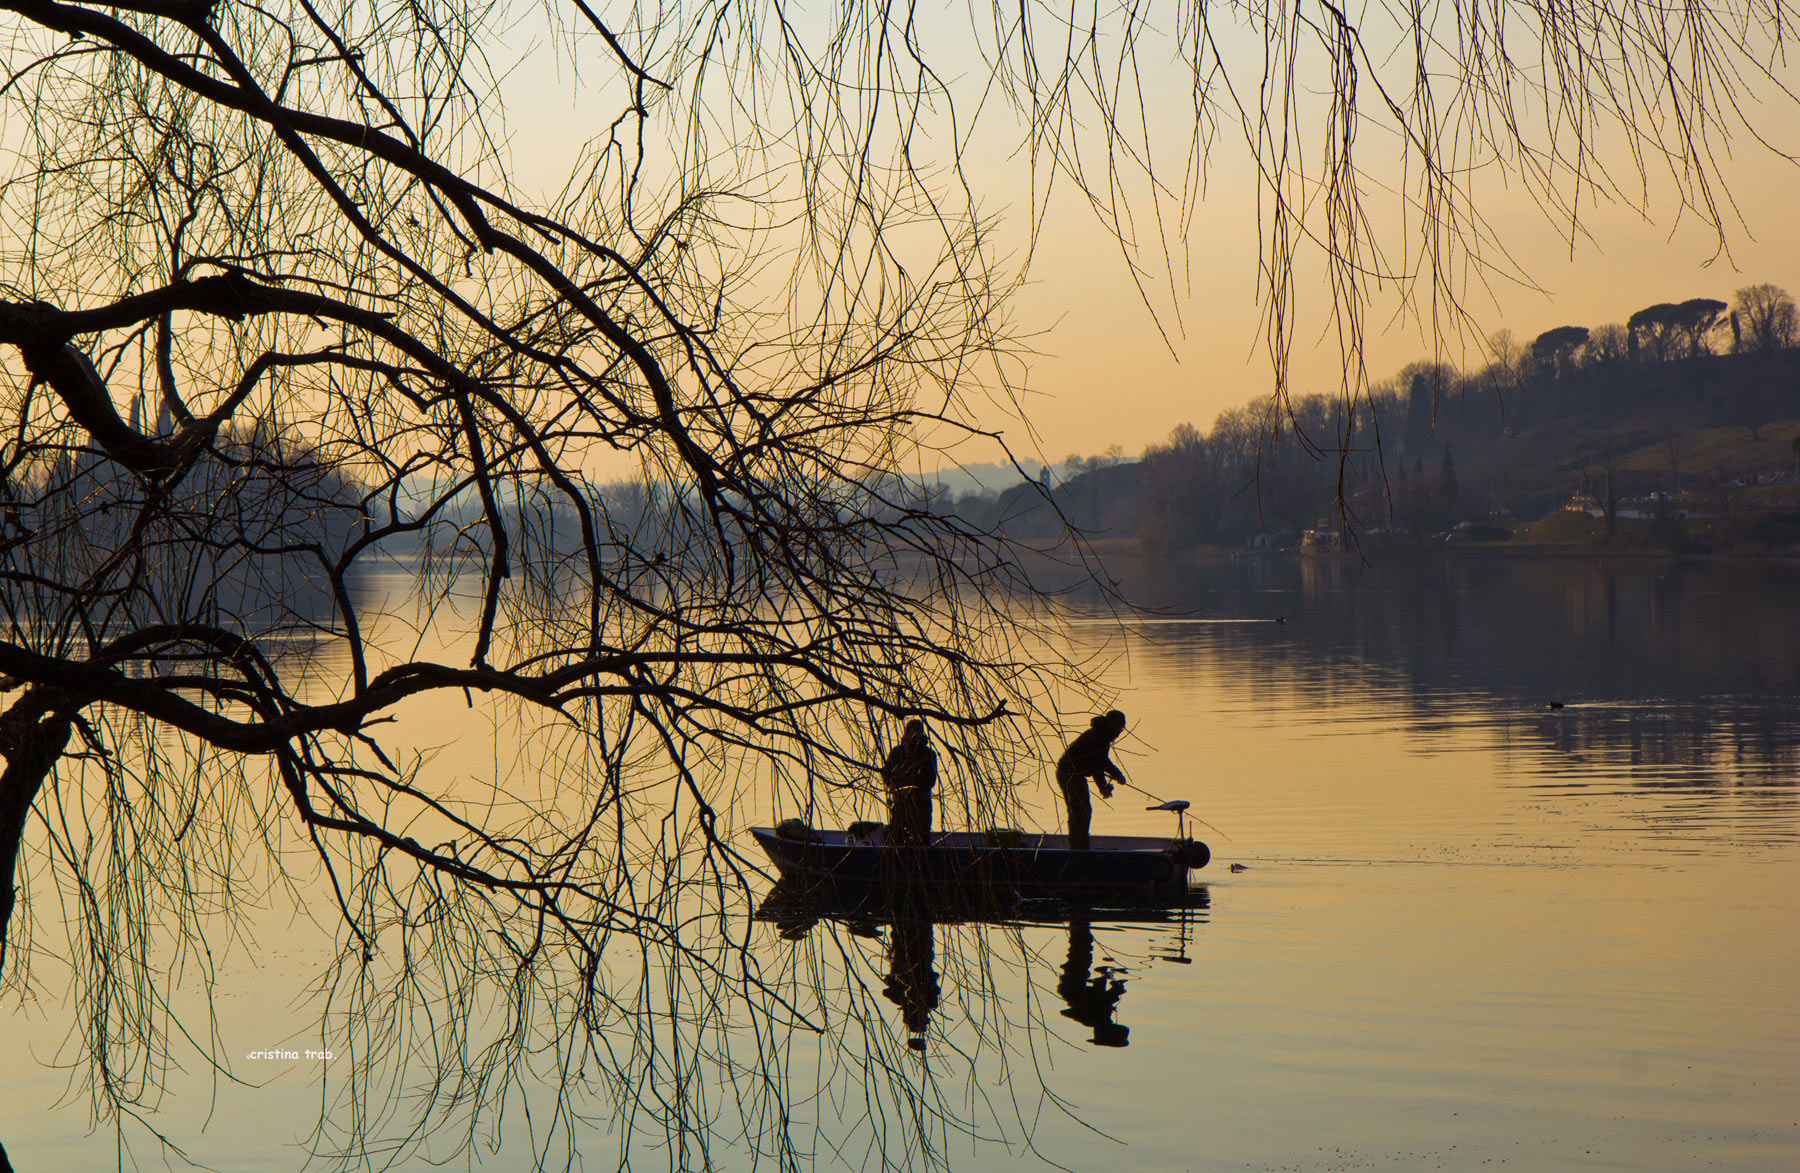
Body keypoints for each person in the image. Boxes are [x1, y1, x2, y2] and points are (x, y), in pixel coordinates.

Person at [1055, 709, 1126, 849]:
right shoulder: (1097, 737)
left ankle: (1079, 844)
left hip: (1076, 775)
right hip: (1069, 774)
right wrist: (1104, 786)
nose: (1120, 732)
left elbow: (1101, 762)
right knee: (1080, 811)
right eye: (1119, 728)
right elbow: (1097, 764)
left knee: (1082, 810)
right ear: (1112, 725)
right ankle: (1078, 847)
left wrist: (1116, 776)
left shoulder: (1102, 736)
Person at [882, 719, 937, 846]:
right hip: (901, 802)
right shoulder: (897, 752)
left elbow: (931, 780)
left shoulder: (928, 754)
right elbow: (886, 774)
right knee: (896, 839)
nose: (915, 734)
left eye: (918, 731)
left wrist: (914, 782)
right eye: (912, 731)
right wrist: (896, 786)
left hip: (921, 803)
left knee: (922, 840)